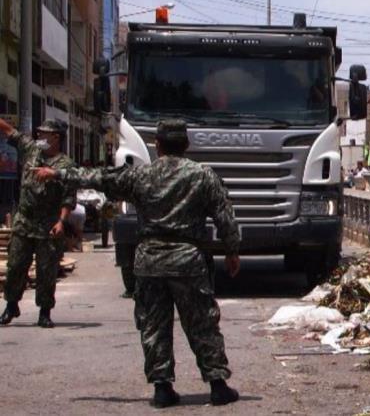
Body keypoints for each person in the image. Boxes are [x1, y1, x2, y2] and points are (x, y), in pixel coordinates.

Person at [36, 119, 242, 408]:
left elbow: (99, 177)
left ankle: (162, 388)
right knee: (202, 322)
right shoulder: (202, 175)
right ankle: (218, 385)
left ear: (158, 146)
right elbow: (224, 215)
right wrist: (232, 251)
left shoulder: (140, 175)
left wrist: (57, 172)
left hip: (149, 260)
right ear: (186, 145)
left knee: (153, 325)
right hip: (187, 259)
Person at [0, 118, 77, 328]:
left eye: (44, 133)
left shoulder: (65, 165)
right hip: (24, 221)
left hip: (48, 225)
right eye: (39, 132)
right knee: (15, 265)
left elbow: (68, 198)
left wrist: (61, 222)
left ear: (56, 137)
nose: (39, 136)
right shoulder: (31, 150)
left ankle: (44, 312)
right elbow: (10, 131)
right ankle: (11, 305)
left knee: (46, 271)